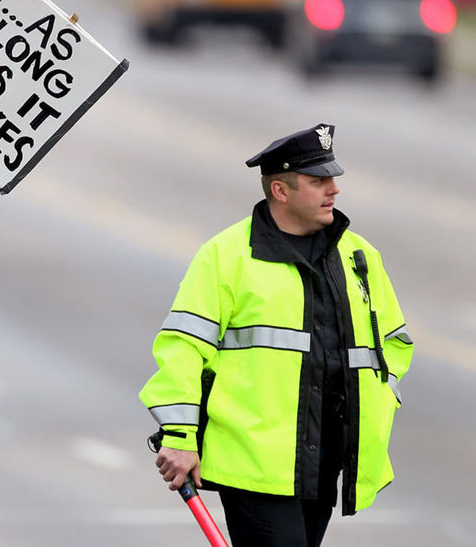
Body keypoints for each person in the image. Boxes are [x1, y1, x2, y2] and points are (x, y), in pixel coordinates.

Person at [139, 124, 414, 546]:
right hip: (253, 466)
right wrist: (179, 436)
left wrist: (383, 396)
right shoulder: (227, 256)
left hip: (325, 461)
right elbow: (182, 348)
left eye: (333, 179)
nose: (334, 190)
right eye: (318, 181)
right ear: (281, 191)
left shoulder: (358, 256)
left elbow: (393, 343)